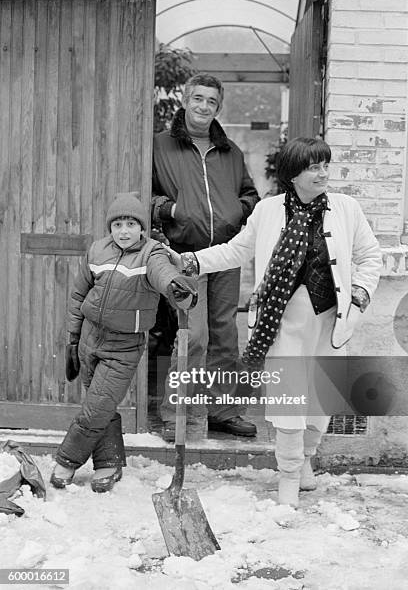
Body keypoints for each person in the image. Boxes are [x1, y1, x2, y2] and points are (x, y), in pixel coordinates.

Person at [176, 137, 382, 507]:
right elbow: (237, 249)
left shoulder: (346, 208)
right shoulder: (269, 211)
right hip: (281, 324)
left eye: (325, 165)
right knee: (289, 401)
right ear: (294, 174)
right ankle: (287, 475)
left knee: (321, 400)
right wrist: (193, 261)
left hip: (330, 323)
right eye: (314, 166)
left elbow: (369, 255)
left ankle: (305, 461)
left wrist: (361, 294)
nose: (323, 173)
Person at [50, 192, 197, 493]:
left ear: (142, 227)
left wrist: (175, 286)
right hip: (90, 339)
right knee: (101, 406)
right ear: (110, 228)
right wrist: (72, 339)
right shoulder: (97, 251)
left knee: (96, 407)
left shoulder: (151, 254)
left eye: (131, 223)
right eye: (117, 224)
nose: (124, 231)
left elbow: (163, 273)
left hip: (123, 347)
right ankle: (109, 462)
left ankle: (67, 458)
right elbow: (79, 296)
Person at [152, 73, 260, 441]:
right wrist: (171, 209)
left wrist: (236, 210)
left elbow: (251, 195)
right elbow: (144, 195)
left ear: (218, 107)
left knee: (225, 335)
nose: (203, 106)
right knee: (193, 335)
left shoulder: (231, 151)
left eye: (211, 102)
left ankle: (222, 411)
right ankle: (179, 414)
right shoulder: (159, 146)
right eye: (197, 98)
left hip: (225, 255)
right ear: (185, 99)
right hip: (185, 256)